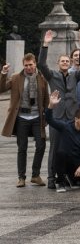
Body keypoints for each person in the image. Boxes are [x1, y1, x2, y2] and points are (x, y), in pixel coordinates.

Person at [38, 29, 80, 189]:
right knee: (54, 148)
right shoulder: (52, 76)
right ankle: (51, 178)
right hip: (56, 117)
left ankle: (69, 177)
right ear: (58, 63)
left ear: (70, 63)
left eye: (67, 61)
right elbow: (41, 64)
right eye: (62, 61)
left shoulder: (74, 76)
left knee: (71, 149)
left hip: (70, 117)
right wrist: (45, 45)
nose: (65, 63)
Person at [1, 55, 49, 188]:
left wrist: (47, 116)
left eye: (31, 65)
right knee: (22, 148)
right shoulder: (16, 77)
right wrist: (4, 73)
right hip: (21, 117)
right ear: (23, 65)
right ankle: (21, 177)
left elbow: (46, 98)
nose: (28, 68)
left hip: (37, 118)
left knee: (41, 145)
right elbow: (2, 88)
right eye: (26, 65)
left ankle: (35, 175)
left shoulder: (42, 78)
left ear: (35, 64)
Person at [44, 92, 80, 193]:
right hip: (63, 161)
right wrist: (51, 106)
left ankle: (72, 179)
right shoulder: (65, 126)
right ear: (76, 119)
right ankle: (61, 182)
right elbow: (50, 120)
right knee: (60, 153)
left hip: (76, 162)